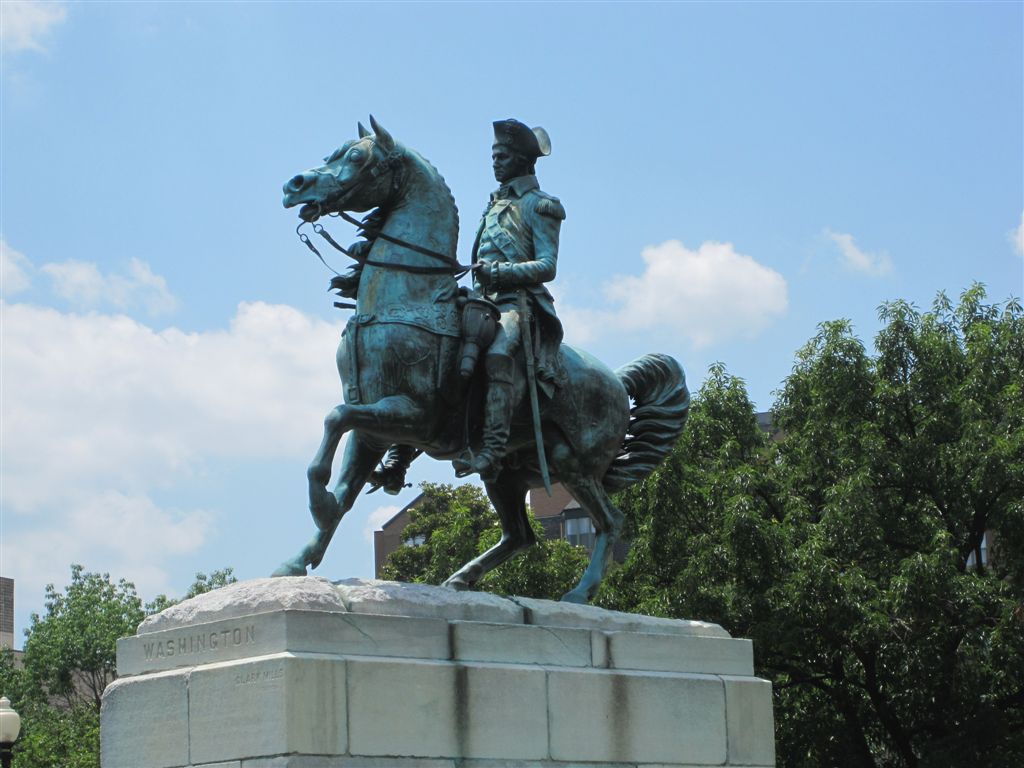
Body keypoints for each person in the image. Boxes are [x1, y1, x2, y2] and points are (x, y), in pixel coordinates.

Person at [452, 118, 566, 481]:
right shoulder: (493, 204)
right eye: (494, 155)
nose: (495, 162)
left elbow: (547, 266)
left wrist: (500, 273)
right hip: (482, 301)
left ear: (522, 160)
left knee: (500, 354)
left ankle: (493, 447)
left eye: (503, 155)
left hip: (519, 303)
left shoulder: (541, 205)